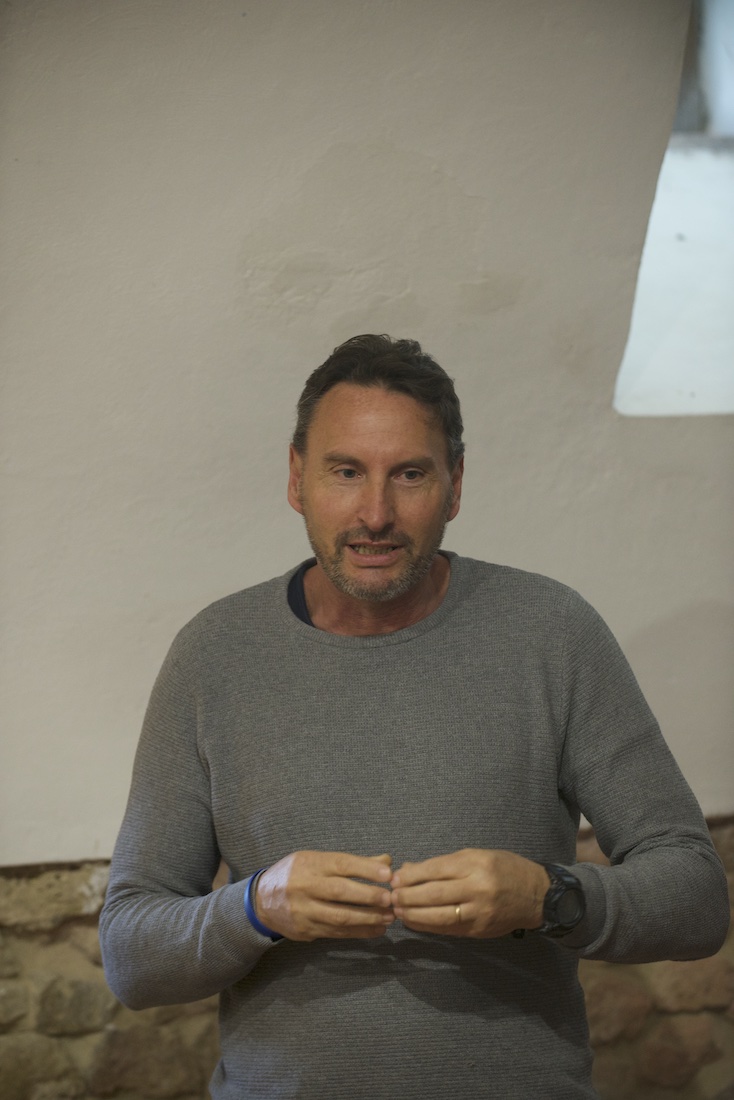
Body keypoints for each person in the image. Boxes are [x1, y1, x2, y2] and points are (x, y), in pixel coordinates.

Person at [99, 334, 729, 1100]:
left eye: (410, 474)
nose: (376, 514)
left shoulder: (551, 634)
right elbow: (131, 956)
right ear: (296, 478)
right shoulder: (214, 654)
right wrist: (255, 907)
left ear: (455, 486)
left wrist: (549, 898)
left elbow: (697, 899)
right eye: (345, 472)